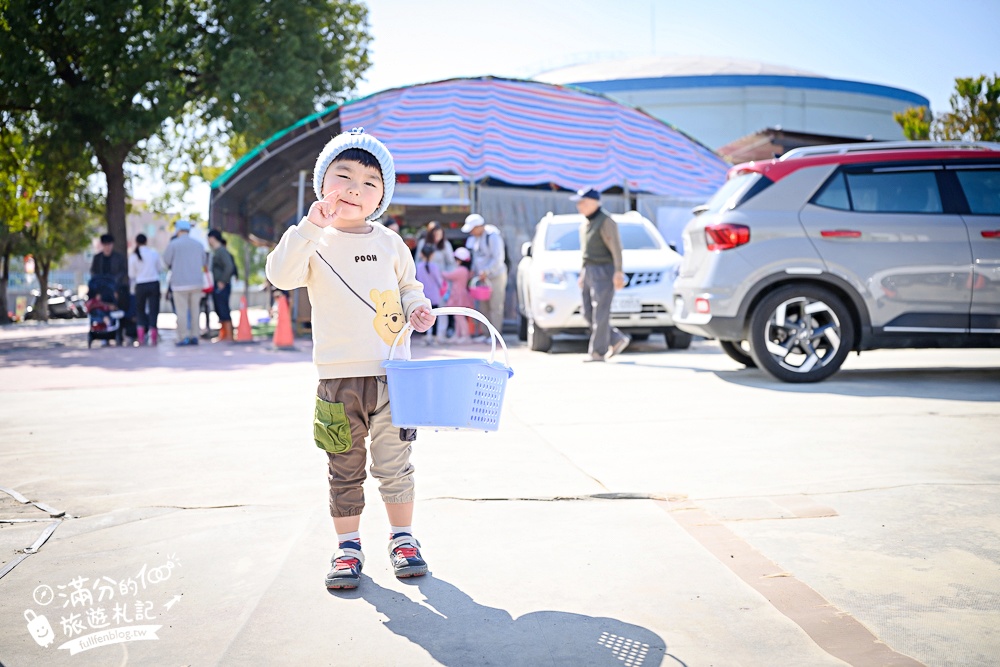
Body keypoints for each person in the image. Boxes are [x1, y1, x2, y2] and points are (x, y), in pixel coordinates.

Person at [264, 128, 435, 591]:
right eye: (344, 176)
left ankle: (403, 539)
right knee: (343, 467)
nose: (355, 189)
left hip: (393, 376)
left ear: (382, 196)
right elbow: (281, 275)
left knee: (396, 464)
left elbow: (408, 287)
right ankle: (347, 547)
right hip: (338, 379)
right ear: (323, 183)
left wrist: (417, 308)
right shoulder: (312, 240)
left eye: (370, 182)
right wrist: (309, 226)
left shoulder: (391, 242)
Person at [571, 188, 630, 362]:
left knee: (601, 312)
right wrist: (582, 273)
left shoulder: (606, 221)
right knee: (587, 311)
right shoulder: (585, 224)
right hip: (589, 270)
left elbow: (616, 248)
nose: (579, 206)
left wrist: (618, 272)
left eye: (582, 202)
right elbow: (586, 252)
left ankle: (598, 352)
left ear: (592, 202)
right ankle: (615, 338)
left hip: (604, 270)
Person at [462, 213, 507, 340]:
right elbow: (477, 257)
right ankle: (486, 334)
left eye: (472, 229)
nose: (471, 232)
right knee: (483, 307)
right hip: (482, 277)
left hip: (495, 276)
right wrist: (473, 270)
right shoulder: (476, 238)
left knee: (495, 306)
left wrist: (486, 271)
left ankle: (495, 335)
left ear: (478, 226)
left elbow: (498, 258)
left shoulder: (492, 236)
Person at [163, 220, 207, 346]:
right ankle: (195, 336)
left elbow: (166, 261)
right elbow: (204, 262)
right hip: (196, 282)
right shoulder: (198, 244)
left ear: (178, 230)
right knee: (195, 310)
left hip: (179, 283)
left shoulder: (173, 244)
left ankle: (183, 337)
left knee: (181, 312)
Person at [89, 233, 130, 335]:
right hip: (100, 290)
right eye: (105, 245)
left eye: (109, 244)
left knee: (120, 304)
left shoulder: (119, 258)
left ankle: (119, 331)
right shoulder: (97, 258)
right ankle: (103, 327)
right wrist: (98, 291)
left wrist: (115, 288)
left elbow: (122, 273)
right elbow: (94, 274)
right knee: (96, 306)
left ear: (112, 245)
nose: (107, 247)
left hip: (115, 289)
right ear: (102, 245)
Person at [128, 233, 164, 346]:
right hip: (154, 283)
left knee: (140, 311)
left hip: (140, 284)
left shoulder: (133, 256)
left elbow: (131, 274)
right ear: (146, 241)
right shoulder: (153, 253)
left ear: (136, 242)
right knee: (154, 310)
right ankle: (153, 337)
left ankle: (141, 338)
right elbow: (160, 268)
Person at [207, 229, 237, 343]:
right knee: (218, 308)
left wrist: (222, 281)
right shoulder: (216, 251)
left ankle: (229, 335)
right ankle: (223, 334)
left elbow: (229, 266)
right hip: (216, 284)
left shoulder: (222, 251)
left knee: (223, 308)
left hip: (222, 285)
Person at [415, 244, 446, 344]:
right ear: (432, 255)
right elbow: (439, 281)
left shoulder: (418, 266)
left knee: (423, 316)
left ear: (421, 254)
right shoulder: (434, 267)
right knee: (435, 316)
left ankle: (424, 338)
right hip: (434, 295)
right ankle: (434, 337)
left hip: (423, 295)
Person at [442, 246, 473, 343]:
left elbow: (449, 276)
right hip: (458, 294)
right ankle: (457, 335)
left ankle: (465, 335)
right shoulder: (465, 270)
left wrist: (441, 272)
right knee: (458, 316)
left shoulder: (461, 270)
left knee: (459, 316)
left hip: (458, 296)